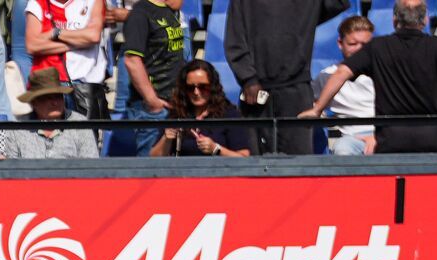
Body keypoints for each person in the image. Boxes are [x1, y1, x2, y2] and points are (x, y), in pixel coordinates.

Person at [304, 0, 437, 153]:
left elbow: (342, 71)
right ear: (425, 20)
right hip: (436, 137)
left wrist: (317, 109)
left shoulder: (377, 47)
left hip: (392, 139)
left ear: (394, 20)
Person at [224, 0, 346, 155]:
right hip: (257, 90)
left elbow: (338, 3)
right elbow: (234, 39)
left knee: (297, 162)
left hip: (296, 88)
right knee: (257, 164)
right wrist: (248, 78)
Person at [114, 0, 184, 154]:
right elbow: (132, 60)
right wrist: (152, 100)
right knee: (151, 170)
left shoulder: (166, 11)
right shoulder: (141, 13)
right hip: (152, 109)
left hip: (171, 104)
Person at [23, 0, 108, 122]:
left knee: (83, 138)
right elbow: (32, 45)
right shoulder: (37, 3)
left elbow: (93, 36)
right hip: (49, 84)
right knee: (46, 137)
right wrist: (76, 44)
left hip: (83, 86)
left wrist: (56, 33)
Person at [150, 57, 250, 156]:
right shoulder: (177, 114)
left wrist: (216, 149)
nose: (196, 92)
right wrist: (166, 139)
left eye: (203, 87)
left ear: (212, 87)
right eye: (190, 87)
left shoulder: (229, 114)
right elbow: (153, 160)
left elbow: (244, 157)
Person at [315, 14, 377, 155]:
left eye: (365, 45)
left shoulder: (384, 71)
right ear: (340, 43)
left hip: (385, 134)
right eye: (353, 44)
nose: (359, 49)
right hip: (352, 139)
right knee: (342, 149)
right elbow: (311, 104)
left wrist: (378, 136)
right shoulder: (327, 76)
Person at [11, 67, 100, 157]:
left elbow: (91, 165)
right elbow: (9, 167)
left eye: (58, 96)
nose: (55, 102)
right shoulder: (18, 128)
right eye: (48, 98)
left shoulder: (80, 124)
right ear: (34, 102)